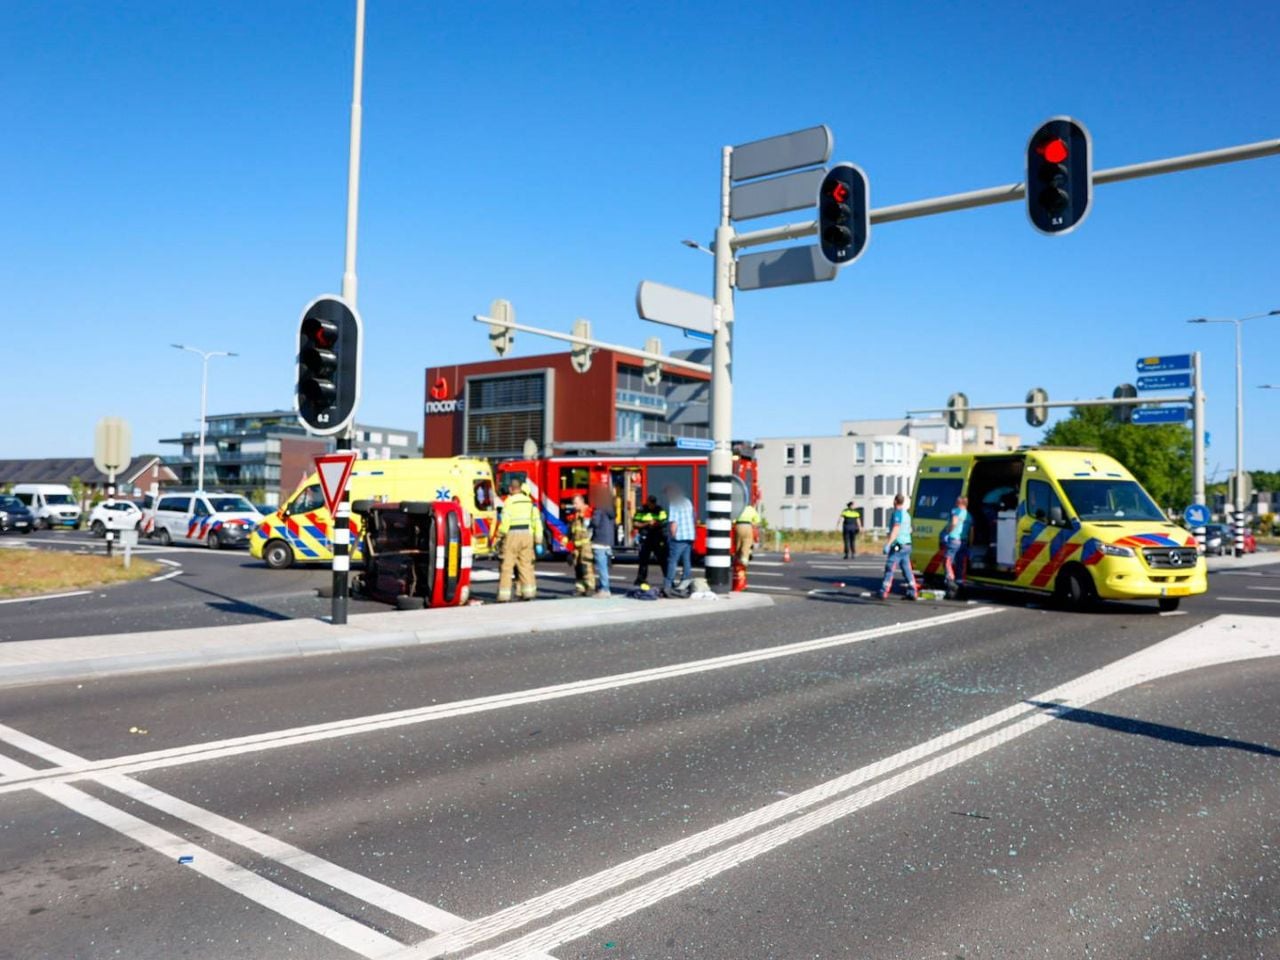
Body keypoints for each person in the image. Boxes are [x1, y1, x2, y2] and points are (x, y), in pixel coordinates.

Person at [496, 476, 543, 602]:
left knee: (507, 566)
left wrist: (499, 536)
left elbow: (505, 522)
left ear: (511, 489)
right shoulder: (529, 503)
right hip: (527, 535)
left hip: (512, 535)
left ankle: (504, 596)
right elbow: (536, 522)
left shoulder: (509, 501)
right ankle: (528, 593)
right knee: (526, 565)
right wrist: (538, 541)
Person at [879, 493, 917, 601]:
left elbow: (896, 529)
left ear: (895, 501)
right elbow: (910, 530)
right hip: (907, 545)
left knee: (890, 565)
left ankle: (884, 590)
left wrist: (889, 543)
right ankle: (912, 590)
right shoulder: (907, 515)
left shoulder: (897, 514)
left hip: (898, 545)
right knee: (906, 568)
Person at [663, 485, 695, 594]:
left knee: (672, 561)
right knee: (686, 560)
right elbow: (693, 516)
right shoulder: (687, 501)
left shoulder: (674, 503)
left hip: (679, 537)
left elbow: (674, 523)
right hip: (689, 535)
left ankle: (668, 584)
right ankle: (685, 581)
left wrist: (672, 536)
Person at [633, 494, 668, 586]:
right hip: (645, 537)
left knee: (662, 559)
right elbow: (635, 523)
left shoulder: (660, 510)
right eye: (650, 502)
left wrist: (656, 524)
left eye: (653, 503)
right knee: (643, 559)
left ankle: (668, 579)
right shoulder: (642, 510)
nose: (651, 505)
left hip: (657, 536)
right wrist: (647, 524)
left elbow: (665, 522)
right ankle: (641, 579)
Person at [567, 494, 595, 597]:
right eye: (573, 503)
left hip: (586, 544)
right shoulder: (574, 514)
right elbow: (571, 530)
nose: (574, 505)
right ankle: (580, 587)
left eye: (576, 503)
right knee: (577, 567)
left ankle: (590, 586)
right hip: (576, 545)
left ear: (582, 502)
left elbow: (590, 528)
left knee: (586, 566)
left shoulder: (588, 512)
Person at [942, 495, 970, 592]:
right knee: (960, 562)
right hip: (963, 541)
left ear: (960, 503)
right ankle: (960, 581)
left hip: (954, 539)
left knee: (947, 560)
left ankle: (950, 579)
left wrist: (948, 532)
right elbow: (972, 530)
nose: (955, 503)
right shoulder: (969, 515)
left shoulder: (956, 511)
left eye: (957, 501)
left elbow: (953, 522)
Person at [590, 493, 616, 597]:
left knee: (601, 567)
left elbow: (595, 523)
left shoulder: (599, 509)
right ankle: (605, 588)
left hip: (599, 540)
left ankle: (604, 589)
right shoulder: (611, 510)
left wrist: (590, 520)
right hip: (608, 541)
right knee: (604, 566)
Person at [734, 500, 761, 568]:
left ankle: (737, 559)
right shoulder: (751, 509)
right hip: (748, 526)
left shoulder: (738, 508)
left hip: (738, 526)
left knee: (738, 543)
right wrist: (753, 524)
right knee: (747, 542)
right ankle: (744, 558)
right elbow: (757, 521)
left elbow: (733, 520)